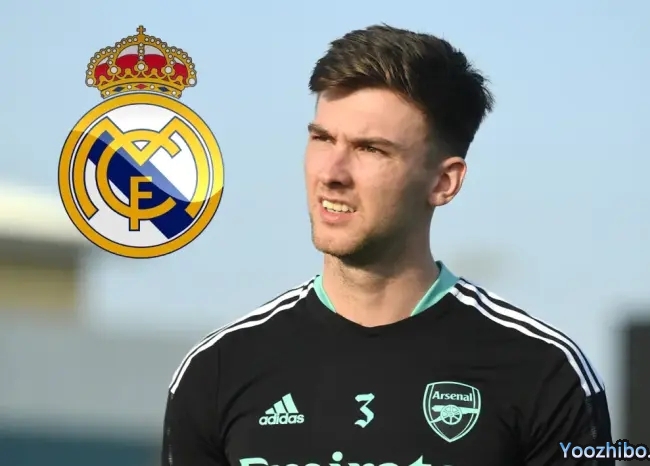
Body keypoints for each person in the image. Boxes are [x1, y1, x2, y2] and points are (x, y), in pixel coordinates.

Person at [161, 24, 612, 466]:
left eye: (371, 149)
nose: (331, 173)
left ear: (444, 182)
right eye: (322, 139)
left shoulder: (543, 373)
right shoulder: (217, 371)